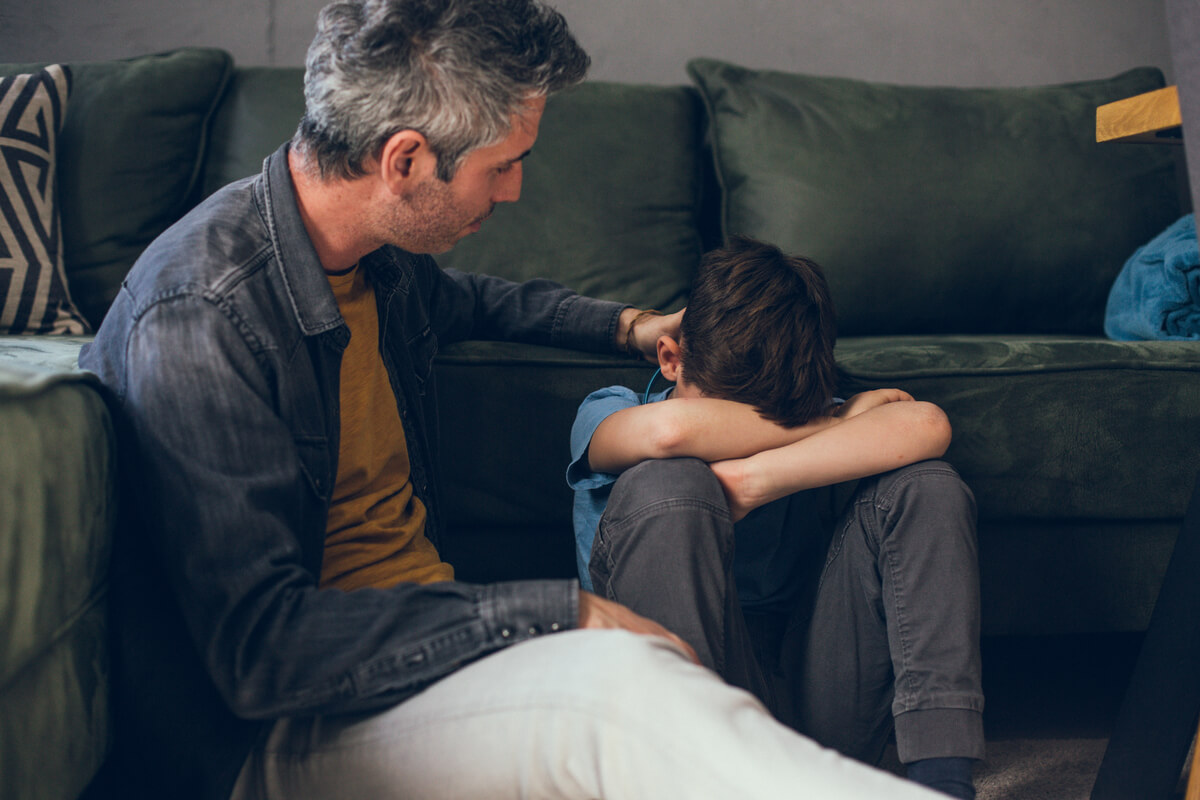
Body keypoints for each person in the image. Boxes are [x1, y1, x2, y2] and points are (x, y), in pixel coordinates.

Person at [80, 1, 951, 798]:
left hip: (425, 663)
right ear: (406, 160)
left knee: (646, 701)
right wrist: (556, 612)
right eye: (503, 166)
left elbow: (484, 301)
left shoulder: (372, 264)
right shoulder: (201, 314)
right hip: (282, 732)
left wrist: (634, 326)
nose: (514, 191)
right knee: (619, 694)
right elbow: (261, 654)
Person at [568, 236, 985, 799]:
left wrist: (756, 480)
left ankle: (942, 784)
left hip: (808, 687)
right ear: (670, 358)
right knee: (671, 477)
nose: (735, 447)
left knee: (926, 485)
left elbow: (927, 426)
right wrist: (831, 424)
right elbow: (668, 433)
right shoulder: (611, 410)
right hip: (678, 698)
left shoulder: (801, 394)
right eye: (722, 417)